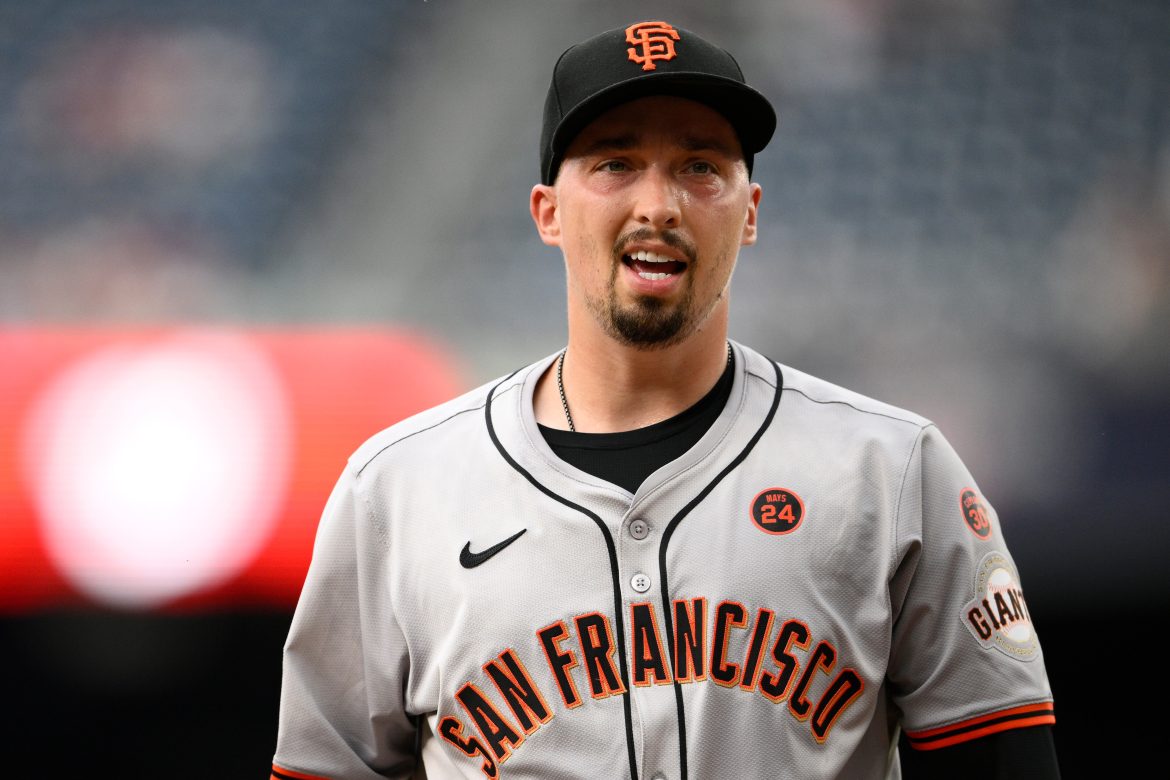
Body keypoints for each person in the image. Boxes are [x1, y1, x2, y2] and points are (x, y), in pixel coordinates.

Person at [272, 20, 1059, 780]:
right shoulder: (396, 490)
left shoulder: (892, 473)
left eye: (700, 166)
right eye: (615, 164)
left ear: (748, 214)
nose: (659, 205)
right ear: (548, 212)